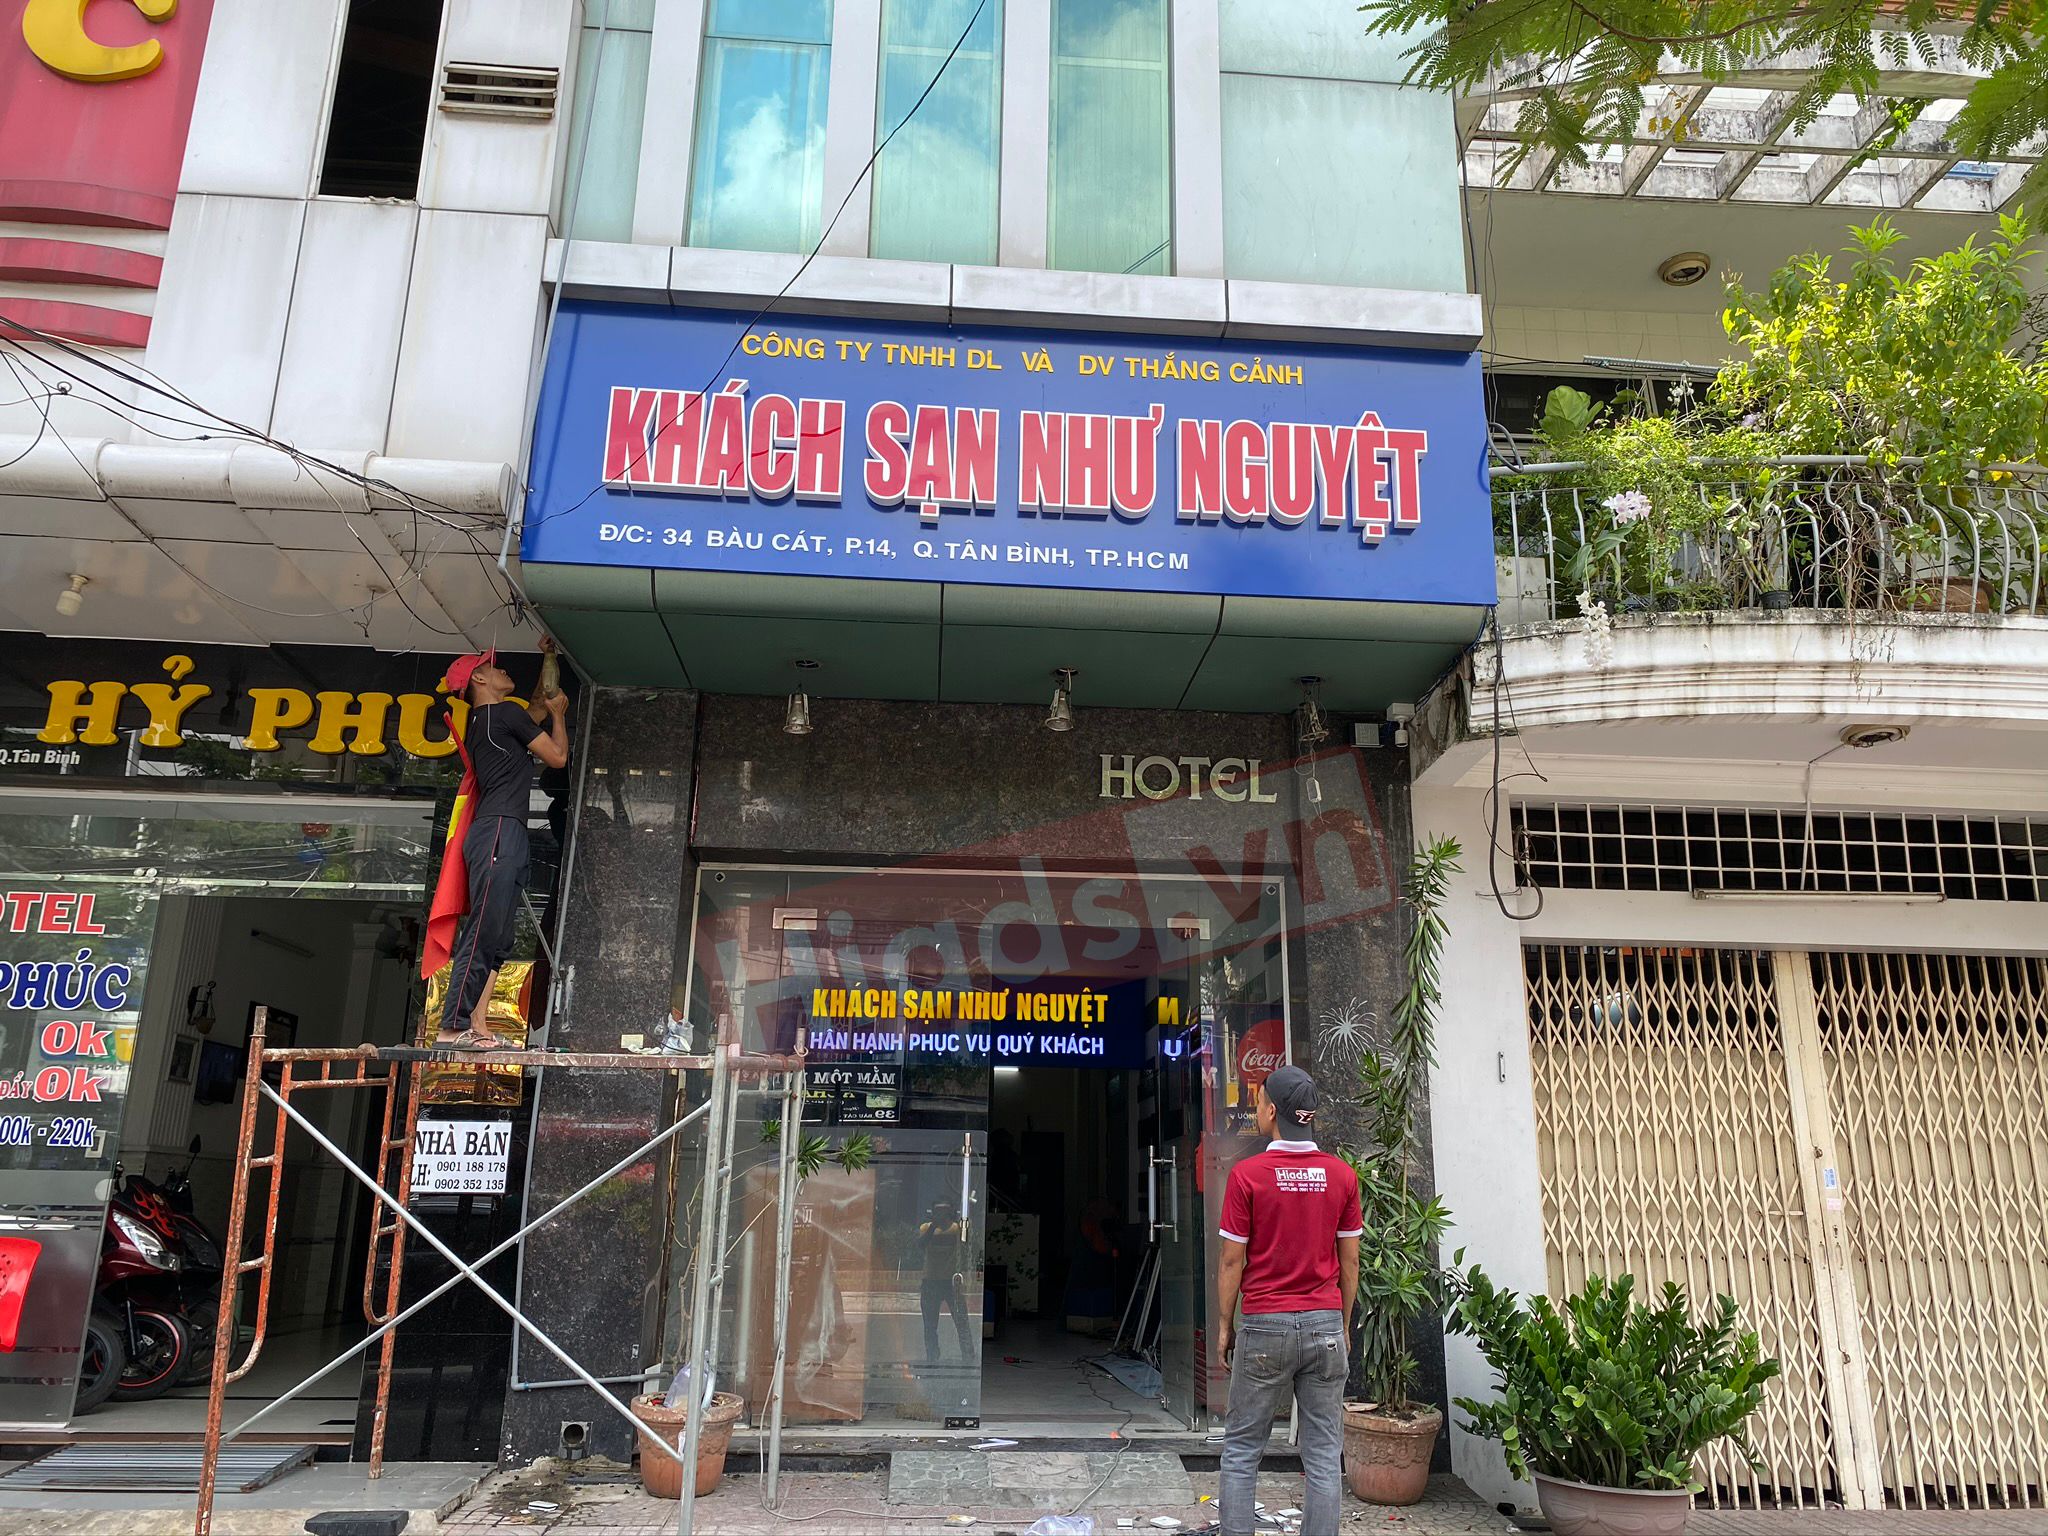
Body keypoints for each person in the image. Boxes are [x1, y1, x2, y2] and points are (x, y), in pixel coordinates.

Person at [1215, 1065, 1362, 1536]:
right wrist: (1342, 1323)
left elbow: (1231, 1262)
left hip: (1264, 1326)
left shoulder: (1247, 1176)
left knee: (1242, 1450)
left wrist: (1225, 1326)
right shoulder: (1342, 1176)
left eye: (1259, 1102)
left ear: (1272, 1111)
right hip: (1324, 1326)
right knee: (1323, 1455)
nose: (1257, 1109)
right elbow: (1351, 1262)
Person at [440, 641, 569, 1049]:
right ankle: (452, 1026)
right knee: (483, 930)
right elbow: (557, 756)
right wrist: (559, 716)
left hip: (503, 830)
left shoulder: (494, 719)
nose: (503, 671)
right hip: (498, 829)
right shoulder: (502, 715)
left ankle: (477, 1023)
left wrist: (550, 657)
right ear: (479, 678)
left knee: (499, 937)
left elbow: (538, 702)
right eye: (494, 668)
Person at [915, 1199, 973, 1363]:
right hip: (931, 1281)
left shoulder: (957, 1229)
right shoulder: (926, 1228)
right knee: (930, 1325)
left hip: (950, 1282)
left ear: (950, 1213)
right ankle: (932, 1356)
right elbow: (920, 1245)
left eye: (944, 1212)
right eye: (938, 1212)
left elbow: (967, 1243)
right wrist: (933, 1226)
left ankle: (968, 1355)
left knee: (961, 1322)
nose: (941, 1215)